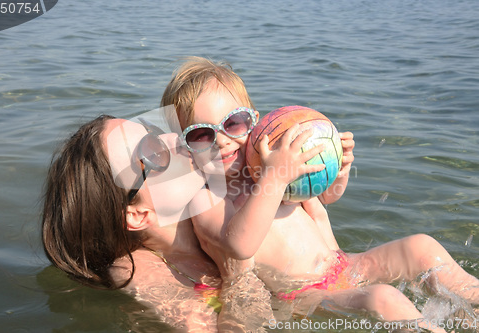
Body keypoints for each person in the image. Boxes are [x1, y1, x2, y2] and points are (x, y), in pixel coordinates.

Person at [160, 56, 479, 332]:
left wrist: (336, 170)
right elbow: (239, 245)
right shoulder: (208, 198)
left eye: (234, 122)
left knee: (422, 247)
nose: (222, 140)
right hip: (304, 294)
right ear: (184, 147)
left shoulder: (266, 168)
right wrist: (276, 175)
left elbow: (324, 198)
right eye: (201, 134)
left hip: (344, 266)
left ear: (254, 120)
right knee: (384, 297)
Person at [41, 114, 224, 332]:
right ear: (136, 215)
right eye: (153, 151)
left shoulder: (220, 211)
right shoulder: (136, 271)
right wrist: (240, 268)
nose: (174, 136)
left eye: (155, 133)